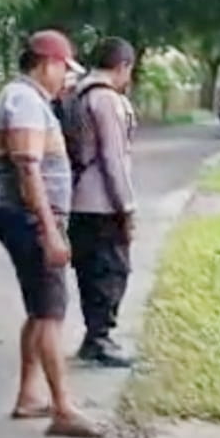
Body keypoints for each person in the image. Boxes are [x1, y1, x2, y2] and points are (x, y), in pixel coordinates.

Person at [0, 28, 101, 437]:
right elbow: (28, 167)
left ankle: (30, 396)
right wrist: (50, 231)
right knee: (51, 312)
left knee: (40, 309)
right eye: (63, 69)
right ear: (48, 63)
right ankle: (63, 408)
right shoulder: (24, 101)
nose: (65, 79)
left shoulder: (27, 99)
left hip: (28, 216)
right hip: (31, 218)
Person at [66, 37, 138, 367]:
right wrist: (126, 206)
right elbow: (113, 158)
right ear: (123, 66)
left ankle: (93, 336)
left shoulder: (77, 95)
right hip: (102, 202)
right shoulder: (107, 100)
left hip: (78, 199)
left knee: (90, 271)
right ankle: (100, 339)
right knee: (112, 270)